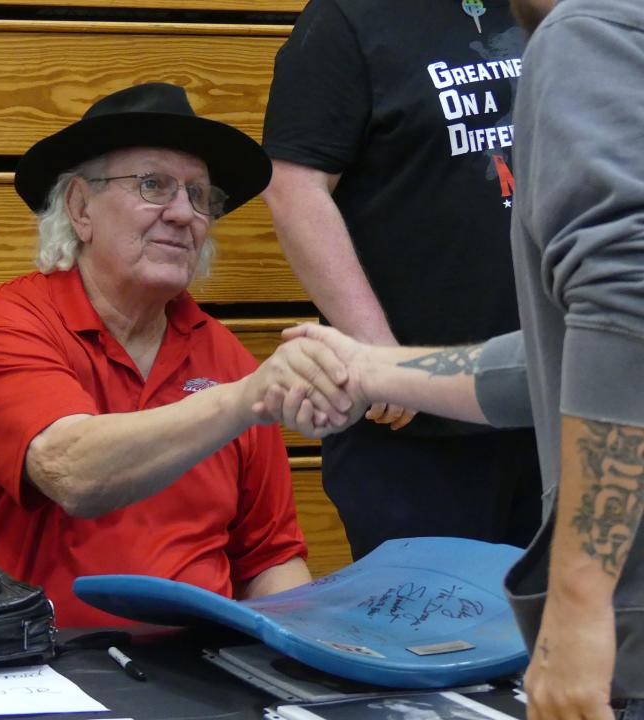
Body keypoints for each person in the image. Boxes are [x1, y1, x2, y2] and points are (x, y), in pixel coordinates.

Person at [268, 0, 644, 713]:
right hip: (439, 442)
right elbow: (558, 358)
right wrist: (377, 365)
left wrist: (576, 600)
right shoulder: (353, 21)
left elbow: (623, 312)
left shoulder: (587, 30)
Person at [0, 83, 356, 628]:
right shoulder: (8, 324)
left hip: (198, 675)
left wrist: (311, 657)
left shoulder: (225, 357)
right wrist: (244, 399)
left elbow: (268, 558)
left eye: (200, 196)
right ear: (80, 208)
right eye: (154, 185)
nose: (184, 214)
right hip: (36, 669)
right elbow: (72, 472)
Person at [260, 0, 543, 559]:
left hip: (552, 404)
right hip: (416, 430)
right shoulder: (347, 18)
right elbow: (293, 190)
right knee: (437, 640)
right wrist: (379, 357)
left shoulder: (543, 10)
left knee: (571, 634)